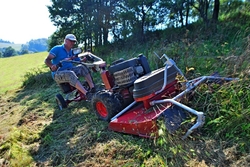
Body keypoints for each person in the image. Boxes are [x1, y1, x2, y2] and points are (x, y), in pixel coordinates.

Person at [44, 34, 95, 100]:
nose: (73, 43)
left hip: (70, 70)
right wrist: (52, 66)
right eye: (71, 41)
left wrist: (85, 59)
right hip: (58, 73)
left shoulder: (72, 51)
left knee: (82, 67)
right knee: (70, 73)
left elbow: (79, 61)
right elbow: (47, 60)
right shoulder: (57, 49)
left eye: (74, 41)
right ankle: (87, 94)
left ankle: (92, 88)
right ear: (65, 40)